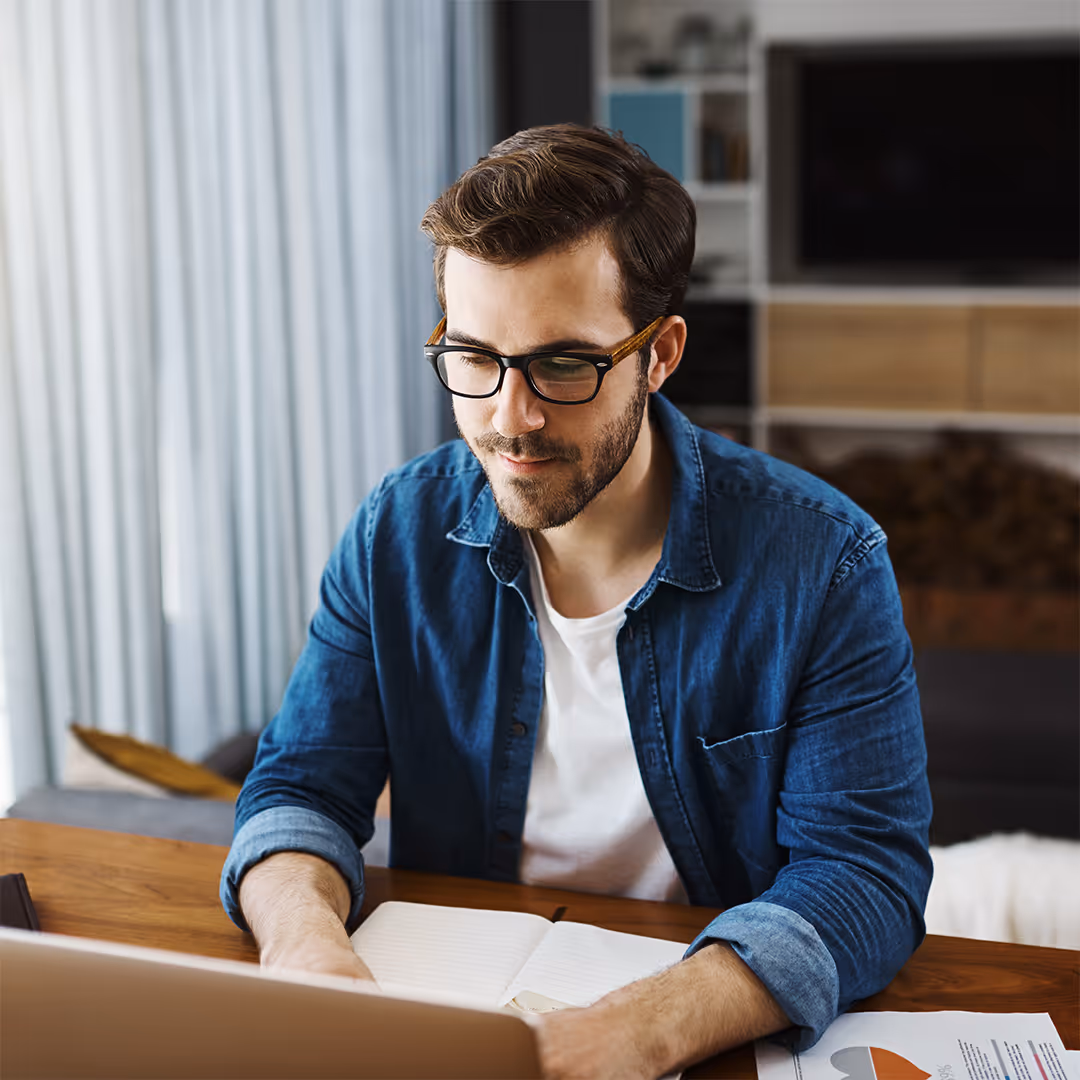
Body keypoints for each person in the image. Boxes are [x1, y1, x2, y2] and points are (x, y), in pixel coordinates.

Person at [220, 124, 932, 1075]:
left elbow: (865, 877)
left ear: (661, 353)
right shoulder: (396, 531)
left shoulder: (826, 562)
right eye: (474, 358)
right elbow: (299, 790)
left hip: (702, 1031)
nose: (510, 418)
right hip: (451, 1016)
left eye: (563, 365)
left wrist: (644, 1026)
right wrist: (304, 942)